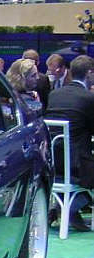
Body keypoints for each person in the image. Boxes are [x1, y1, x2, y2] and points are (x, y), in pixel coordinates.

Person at [44, 55, 94, 231]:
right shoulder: (88, 98)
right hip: (77, 165)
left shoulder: (54, 95)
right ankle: (68, 208)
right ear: (89, 73)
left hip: (53, 162)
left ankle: (62, 207)